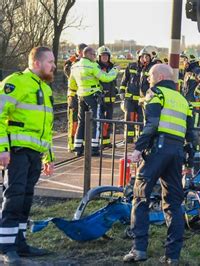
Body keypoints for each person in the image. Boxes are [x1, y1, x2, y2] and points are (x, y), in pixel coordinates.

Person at [123, 64, 194, 263]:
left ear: (161, 76)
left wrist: (138, 148)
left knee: (140, 196)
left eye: (150, 75)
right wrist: (189, 160)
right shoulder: (182, 99)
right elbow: (191, 133)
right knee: (173, 203)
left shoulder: (156, 93)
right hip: (177, 153)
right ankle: (172, 256)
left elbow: (152, 124)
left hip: (158, 150)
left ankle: (139, 249)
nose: (147, 79)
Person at [0, 46, 56, 263]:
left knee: (25, 198)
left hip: (34, 154)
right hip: (16, 152)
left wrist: (48, 157)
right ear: (36, 63)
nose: (53, 65)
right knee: (14, 197)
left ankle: (19, 242)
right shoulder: (17, 82)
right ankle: (6, 247)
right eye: (50, 62)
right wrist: (3, 149)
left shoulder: (46, 89)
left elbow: (46, 128)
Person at [69, 47, 118, 156]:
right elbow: (106, 78)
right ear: (89, 55)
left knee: (81, 121)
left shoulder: (74, 66)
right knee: (96, 121)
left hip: (81, 96)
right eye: (94, 55)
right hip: (93, 97)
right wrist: (115, 70)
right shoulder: (92, 65)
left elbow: (71, 84)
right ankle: (94, 148)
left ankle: (78, 147)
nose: (95, 57)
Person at [119, 48, 156, 143]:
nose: (145, 59)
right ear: (139, 57)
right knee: (129, 119)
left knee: (141, 120)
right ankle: (128, 139)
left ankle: (140, 139)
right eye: (143, 56)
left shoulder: (152, 68)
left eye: (147, 57)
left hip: (142, 99)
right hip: (130, 98)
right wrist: (122, 92)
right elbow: (124, 80)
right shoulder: (131, 66)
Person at [64, 43, 87, 152]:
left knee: (82, 121)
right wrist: (71, 60)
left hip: (83, 95)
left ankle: (80, 143)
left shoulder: (88, 63)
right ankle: (72, 144)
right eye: (82, 52)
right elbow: (67, 70)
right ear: (78, 52)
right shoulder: (72, 64)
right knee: (73, 121)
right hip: (73, 96)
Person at [96, 46, 117, 147]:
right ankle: (100, 141)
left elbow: (113, 81)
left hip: (110, 98)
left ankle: (106, 141)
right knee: (100, 120)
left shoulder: (112, 67)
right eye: (103, 55)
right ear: (99, 57)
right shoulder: (96, 67)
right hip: (101, 97)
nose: (105, 57)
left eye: (106, 55)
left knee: (108, 120)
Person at [179, 53, 200, 127]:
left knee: (193, 127)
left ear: (190, 60)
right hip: (187, 104)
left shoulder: (196, 70)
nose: (183, 62)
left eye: (185, 60)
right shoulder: (187, 72)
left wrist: (196, 92)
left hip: (194, 105)